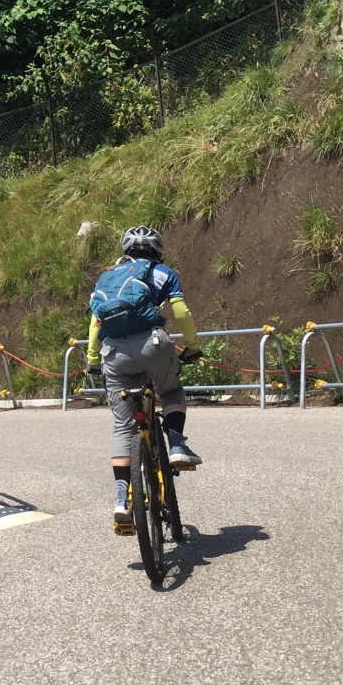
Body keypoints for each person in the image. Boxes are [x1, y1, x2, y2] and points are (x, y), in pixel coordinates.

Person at [86, 226, 203, 532]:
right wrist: (192, 346)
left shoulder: (107, 276)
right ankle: (176, 445)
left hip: (114, 353)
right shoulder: (164, 273)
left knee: (122, 427)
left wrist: (93, 359)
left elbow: (96, 323)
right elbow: (181, 311)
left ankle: (121, 500)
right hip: (153, 344)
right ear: (157, 250)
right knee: (171, 391)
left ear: (125, 250)